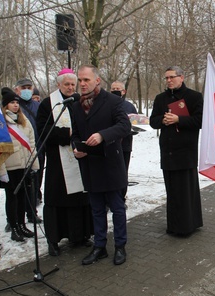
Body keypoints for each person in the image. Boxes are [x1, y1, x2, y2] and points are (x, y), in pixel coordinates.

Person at [71, 65, 131, 265]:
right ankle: (100, 247)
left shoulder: (112, 101)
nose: (82, 84)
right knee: (96, 209)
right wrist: (76, 148)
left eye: (86, 80)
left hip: (110, 163)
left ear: (97, 80)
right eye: (80, 80)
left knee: (117, 208)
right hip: (89, 164)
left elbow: (124, 126)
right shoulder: (76, 105)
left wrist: (102, 135)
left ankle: (120, 246)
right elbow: (76, 133)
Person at [36, 68, 93, 256]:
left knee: (79, 196)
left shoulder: (80, 101)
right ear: (58, 84)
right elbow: (43, 131)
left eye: (72, 84)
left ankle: (80, 235)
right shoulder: (48, 105)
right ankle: (53, 239)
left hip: (79, 157)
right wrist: (67, 134)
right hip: (57, 160)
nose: (70, 87)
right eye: (66, 84)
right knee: (56, 199)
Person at [149, 66, 203, 236]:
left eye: (172, 77)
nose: (169, 80)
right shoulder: (160, 98)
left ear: (182, 77)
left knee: (186, 190)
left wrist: (179, 119)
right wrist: (164, 121)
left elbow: (199, 121)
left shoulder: (194, 97)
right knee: (172, 191)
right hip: (168, 151)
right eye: (166, 78)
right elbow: (153, 121)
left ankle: (188, 225)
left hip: (186, 151)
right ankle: (173, 225)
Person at [0, 89, 39, 242]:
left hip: (24, 164)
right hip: (10, 168)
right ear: (5, 105)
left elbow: (32, 141)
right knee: (12, 198)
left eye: (17, 102)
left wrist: (34, 164)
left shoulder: (23, 120)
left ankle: (22, 225)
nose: (15, 105)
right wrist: (2, 171)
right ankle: (14, 227)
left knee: (23, 197)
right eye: (12, 103)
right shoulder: (1, 122)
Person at [13, 78, 43, 224]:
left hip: (37, 149)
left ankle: (32, 213)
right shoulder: (14, 106)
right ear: (17, 90)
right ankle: (15, 218)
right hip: (20, 152)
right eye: (23, 87)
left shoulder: (38, 106)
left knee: (35, 183)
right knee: (19, 185)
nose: (26, 90)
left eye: (29, 87)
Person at [110, 80, 138, 202]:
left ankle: (121, 198)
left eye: (118, 89)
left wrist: (126, 130)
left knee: (122, 172)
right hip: (109, 145)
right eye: (113, 89)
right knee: (109, 173)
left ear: (123, 91)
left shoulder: (129, 107)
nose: (115, 91)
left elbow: (137, 126)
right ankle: (108, 200)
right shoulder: (104, 105)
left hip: (125, 145)